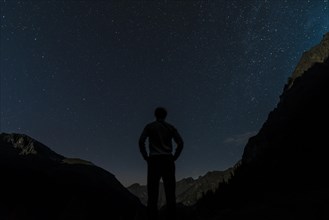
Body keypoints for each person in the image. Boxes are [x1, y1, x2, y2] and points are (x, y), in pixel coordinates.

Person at [139, 107, 184, 220]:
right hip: (168, 160)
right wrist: (174, 157)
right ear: (165, 116)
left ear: (155, 115)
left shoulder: (150, 126)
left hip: (154, 161)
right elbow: (180, 143)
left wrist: (146, 156)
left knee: (152, 194)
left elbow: (141, 141)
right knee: (170, 193)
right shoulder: (171, 127)